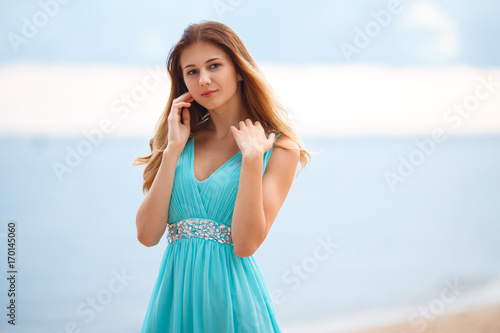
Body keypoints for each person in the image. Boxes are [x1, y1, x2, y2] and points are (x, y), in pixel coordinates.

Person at [133, 20, 311, 332]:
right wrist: (172, 149)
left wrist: (252, 160)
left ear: (239, 69)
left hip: (233, 306)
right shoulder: (179, 142)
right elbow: (147, 235)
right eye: (192, 71)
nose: (204, 80)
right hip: (174, 304)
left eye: (214, 66)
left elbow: (245, 243)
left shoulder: (280, 149)